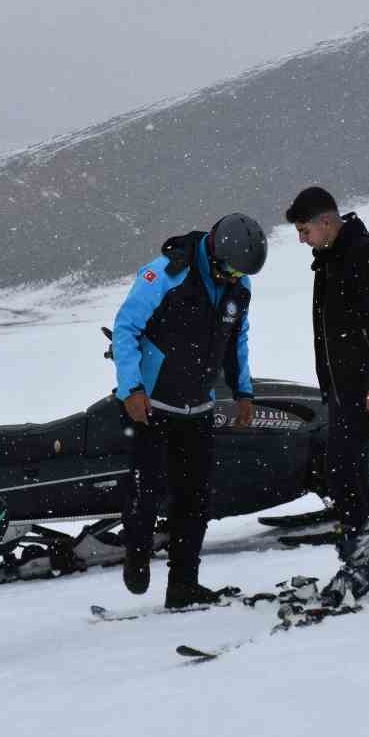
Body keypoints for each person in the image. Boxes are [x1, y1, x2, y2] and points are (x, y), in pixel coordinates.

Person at [112, 213, 266, 608]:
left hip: (198, 406)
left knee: (195, 500)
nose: (235, 277)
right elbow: (126, 328)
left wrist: (243, 392)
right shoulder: (165, 274)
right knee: (145, 492)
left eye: (242, 273)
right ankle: (137, 553)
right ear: (215, 250)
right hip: (152, 405)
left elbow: (237, 340)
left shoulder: (239, 286)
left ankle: (183, 585)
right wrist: (131, 389)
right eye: (232, 269)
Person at [285, 186, 369, 606]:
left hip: (363, 388)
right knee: (349, 469)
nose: (302, 240)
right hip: (342, 388)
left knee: (340, 469)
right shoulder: (332, 260)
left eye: (304, 231)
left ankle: (366, 561)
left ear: (325, 222)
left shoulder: (364, 257)